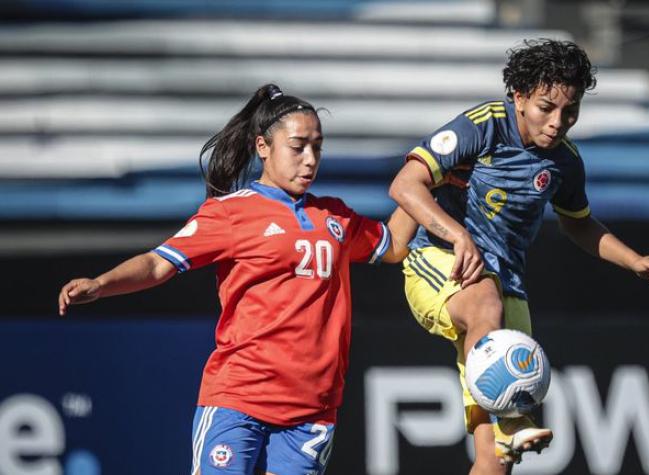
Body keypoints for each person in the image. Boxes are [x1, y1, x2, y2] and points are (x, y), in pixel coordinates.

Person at [58, 84, 416, 475]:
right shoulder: (230, 214)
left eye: (318, 146)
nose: (310, 159)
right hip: (239, 398)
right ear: (263, 147)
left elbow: (394, 244)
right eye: (298, 147)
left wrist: (424, 174)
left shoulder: (335, 216)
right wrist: (101, 284)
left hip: (312, 408)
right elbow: (158, 263)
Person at [389, 39, 649, 473]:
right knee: (485, 304)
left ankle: (505, 431)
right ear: (519, 97)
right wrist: (459, 236)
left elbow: (579, 223)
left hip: (506, 287)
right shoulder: (483, 125)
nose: (558, 122)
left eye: (570, 111)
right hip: (441, 259)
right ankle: (513, 419)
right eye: (546, 107)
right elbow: (405, 185)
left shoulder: (565, 163)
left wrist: (634, 260)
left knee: (496, 460)